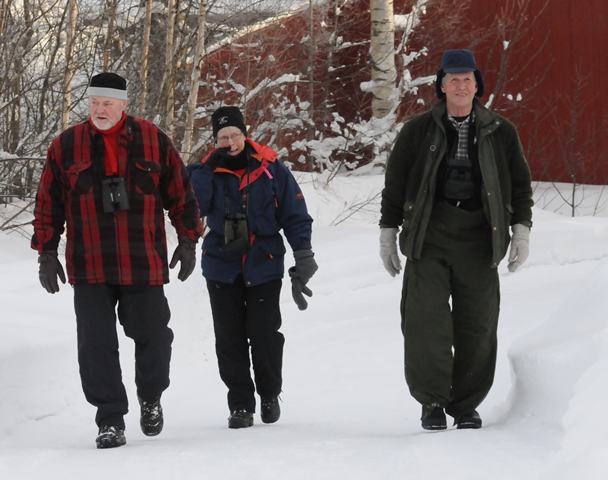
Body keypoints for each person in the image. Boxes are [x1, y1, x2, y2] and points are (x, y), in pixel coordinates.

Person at [31, 72, 203, 448]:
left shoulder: (153, 139)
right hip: (89, 262)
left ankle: (151, 397)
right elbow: (48, 202)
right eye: (94, 102)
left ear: (124, 105)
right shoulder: (66, 145)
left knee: (155, 337)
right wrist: (46, 251)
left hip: (142, 260)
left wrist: (188, 239)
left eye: (108, 103)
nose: (100, 110)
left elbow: (180, 192)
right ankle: (109, 419)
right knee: (96, 345)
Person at [379, 50, 533, 430]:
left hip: (480, 238)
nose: (461, 85)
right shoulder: (417, 131)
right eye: (453, 79)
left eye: (467, 78)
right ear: (442, 86)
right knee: (425, 322)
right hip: (430, 235)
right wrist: (388, 233)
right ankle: (432, 402)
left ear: (477, 85)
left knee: (477, 324)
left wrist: (521, 230)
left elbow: (520, 186)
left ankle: (465, 405)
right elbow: (395, 186)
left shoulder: (501, 131)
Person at [188, 106, 317, 429]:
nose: (229, 141)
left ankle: (270, 393)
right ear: (215, 140)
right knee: (229, 338)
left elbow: (294, 212)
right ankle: (240, 404)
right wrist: (207, 170)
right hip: (221, 264)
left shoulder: (271, 167)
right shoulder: (205, 170)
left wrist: (303, 254)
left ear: (245, 134)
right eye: (222, 137)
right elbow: (194, 208)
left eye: (234, 135)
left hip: (264, 261)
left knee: (263, 334)